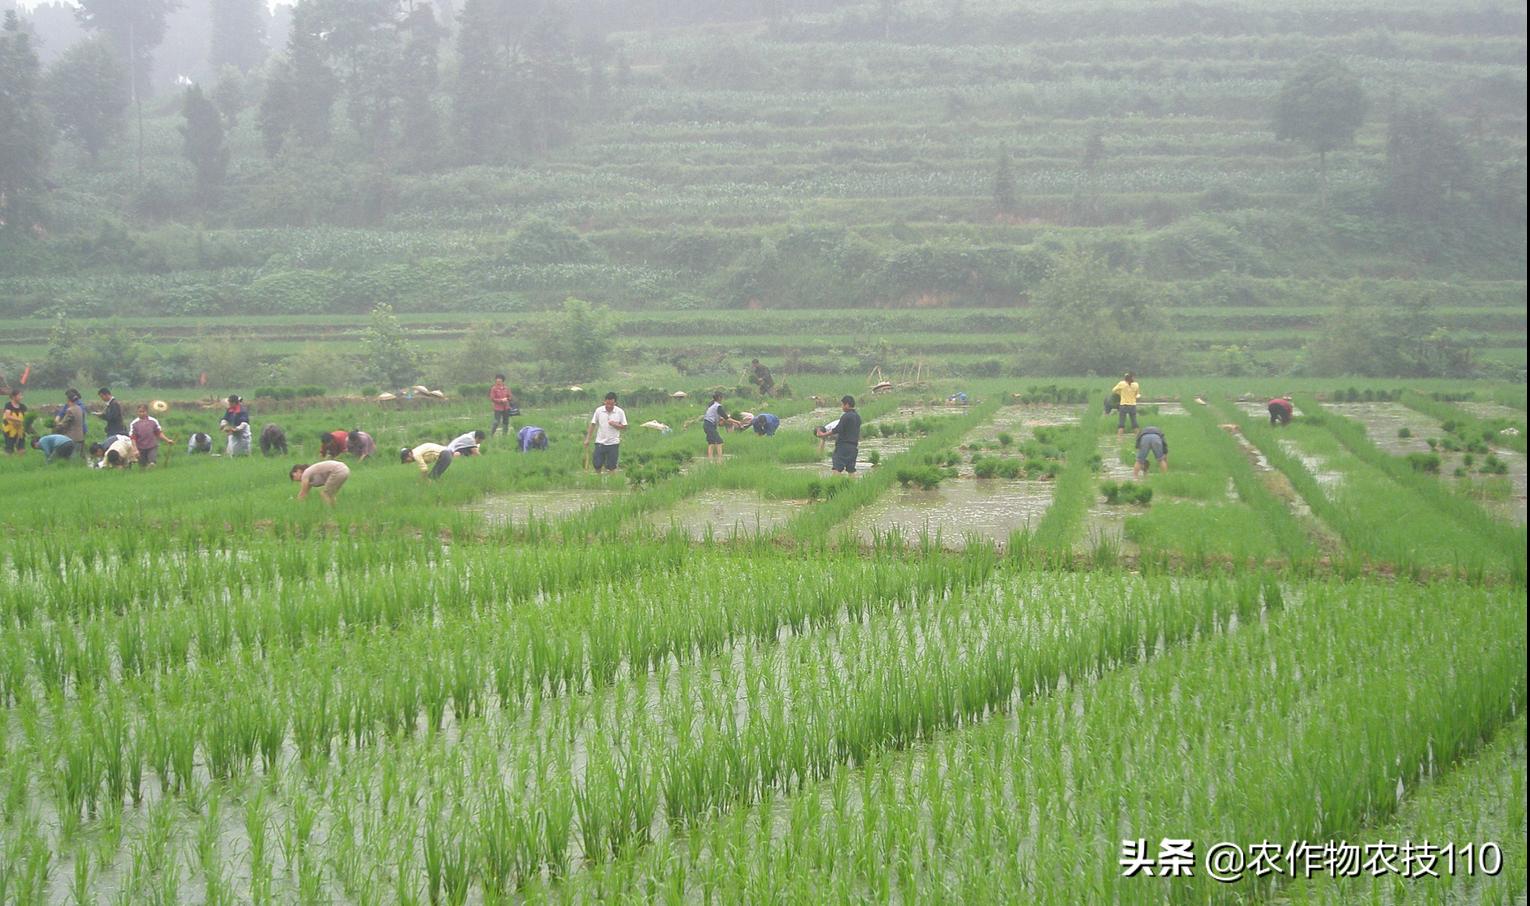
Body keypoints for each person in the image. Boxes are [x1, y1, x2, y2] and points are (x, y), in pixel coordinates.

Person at [583, 392, 627, 473]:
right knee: (597, 465)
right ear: (604, 402)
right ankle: (598, 481)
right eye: (607, 403)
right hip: (600, 442)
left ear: (615, 403)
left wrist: (615, 424)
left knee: (611, 467)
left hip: (613, 443)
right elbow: (593, 424)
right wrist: (587, 439)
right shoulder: (599, 410)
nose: (609, 406)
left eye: (611, 404)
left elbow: (624, 427)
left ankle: (612, 483)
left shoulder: (620, 412)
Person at [823, 395, 862, 475]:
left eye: (842, 405)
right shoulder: (858, 417)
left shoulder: (846, 416)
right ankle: (853, 486)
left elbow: (837, 429)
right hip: (853, 447)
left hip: (843, 447)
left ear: (847, 405)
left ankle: (836, 485)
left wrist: (824, 434)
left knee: (836, 468)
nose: (841, 407)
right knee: (851, 469)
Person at [702, 392, 741, 463]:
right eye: (722, 397)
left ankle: (710, 461)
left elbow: (720, 417)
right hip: (710, 425)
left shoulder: (712, 406)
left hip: (706, 424)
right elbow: (726, 418)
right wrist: (737, 422)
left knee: (711, 443)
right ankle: (720, 461)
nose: (723, 398)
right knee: (719, 442)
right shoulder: (718, 406)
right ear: (719, 398)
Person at [3, 389, 27, 455]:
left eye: (21, 395)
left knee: (22, 450)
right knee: (9, 449)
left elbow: (26, 418)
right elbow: (7, 416)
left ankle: (21, 462)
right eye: (19, 395)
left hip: (20, 430)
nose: (21, 397)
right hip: (9, 430)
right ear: (14, 397)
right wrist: (19, 420)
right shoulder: (8, 405)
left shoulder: (23, 406)